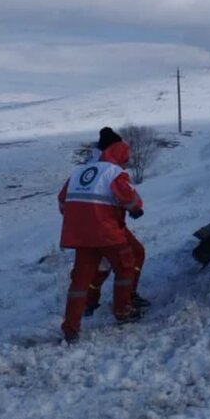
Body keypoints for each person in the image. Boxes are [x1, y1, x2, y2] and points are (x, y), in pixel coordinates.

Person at [58, 131, 145, 343]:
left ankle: (71, 327)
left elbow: (62, 200)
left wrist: (81, 218)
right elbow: (128, 197)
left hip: (79, 233)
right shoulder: (114, 172)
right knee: (126, 265)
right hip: (106, 231)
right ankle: (123, 310)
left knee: (80, 279)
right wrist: (136, 208)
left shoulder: (79, 171)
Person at [81, 128, 150, 316]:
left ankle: (89, 302)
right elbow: (123, 194)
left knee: (101, 263)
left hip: (84, 224)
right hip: (106, 223)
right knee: (133, 255)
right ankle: (126, 302)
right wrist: (135, 208)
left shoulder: (90, 165)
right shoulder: (109, 167)